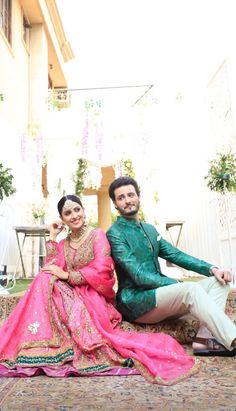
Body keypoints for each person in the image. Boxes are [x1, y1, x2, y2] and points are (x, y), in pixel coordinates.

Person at [0, 195, 198, 385]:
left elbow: (103, 269)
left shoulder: (97, 235)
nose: (74, 215)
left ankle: (50, 341)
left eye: (77, 209)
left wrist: (69, 276)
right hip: (68, 295)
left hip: (93, 295)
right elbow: (52, 268)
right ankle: (45, 342)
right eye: (68, 213)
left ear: (84, 211)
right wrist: (52, 236)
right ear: (62, 219)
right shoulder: (64, 243)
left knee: (50, 280)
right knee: (45, 277)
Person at [106, 176, 236, 357]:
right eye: (121, 198)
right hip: (135, 302)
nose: (127, 200)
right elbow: (138, 275)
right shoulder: (115, 233)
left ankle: (205, 340)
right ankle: (233, 338)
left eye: (130, 195)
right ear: (115, 204)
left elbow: (176, 255)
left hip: (160, 298)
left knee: (219, 282)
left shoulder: (149, 229)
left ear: (138, 196)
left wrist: (212, 269)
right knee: (189, 289)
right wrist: (175, 283)